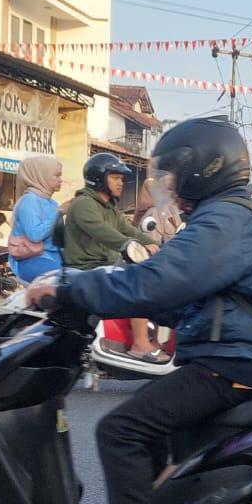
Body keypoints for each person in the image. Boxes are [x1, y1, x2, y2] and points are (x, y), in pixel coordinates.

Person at [23, 116, 252, 504]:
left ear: (203, 170)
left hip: (233, 361)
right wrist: (112, 297)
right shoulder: (230, 215)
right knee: (160, 440)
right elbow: (183, 297)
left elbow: (157, 281)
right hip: (234, 352)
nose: (169, 185)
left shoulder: (222, 221)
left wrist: (70, 290)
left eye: (174, 174)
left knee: (120, 430)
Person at [63, 152, 162, 361]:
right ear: (99, 178)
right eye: (115, 178)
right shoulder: (83, 204)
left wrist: (151, 243)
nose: (120, 183)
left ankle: (152, 340)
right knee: (137, 282)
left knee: (155, 278)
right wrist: (128, 245)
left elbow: (127, 229)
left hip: (105, 264)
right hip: (86, 267)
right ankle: (140, 345)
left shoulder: (108, 205)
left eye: (121, 179)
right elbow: (102, 231)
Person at [7, 154, 63, 284]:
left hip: (53, 258)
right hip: (33, 260)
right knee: (64, 283)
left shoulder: (52, 203)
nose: (61, 180)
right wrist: (60, 213)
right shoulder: (29, 201)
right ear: (41, 176)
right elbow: (35, 235)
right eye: (57, 175)